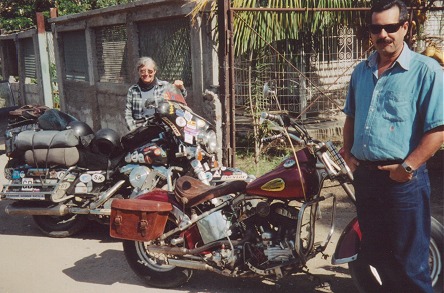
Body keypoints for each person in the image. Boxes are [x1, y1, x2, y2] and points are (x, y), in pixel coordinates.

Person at [342, 0, 443, 292]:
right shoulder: (361, 71)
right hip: (367, 180)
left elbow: (438, 130)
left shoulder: (427, 71)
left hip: (403, 183)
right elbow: (351, 116)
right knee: (378, 258)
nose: (383, 34)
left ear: (406, 28)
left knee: (410, 265)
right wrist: (348, 154)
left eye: (391, 27)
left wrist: (407, 167)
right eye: (376, 28)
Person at [125, 57, 187, 131]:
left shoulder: (165, 86)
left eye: (150, 71)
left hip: (162, 129)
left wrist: (181, 88)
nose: (146, 74)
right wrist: (133, 130)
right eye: (142, 71)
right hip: (140, 130)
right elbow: (128, 114)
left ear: (154, 71)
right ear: (138, 72)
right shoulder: (133, 90)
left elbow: (181, 98)